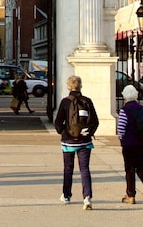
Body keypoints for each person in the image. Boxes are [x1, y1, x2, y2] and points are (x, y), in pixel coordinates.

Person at [54, 75, 100, 210]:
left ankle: (66, 195)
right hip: (84, 141)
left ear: (68, 86)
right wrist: (88, 132)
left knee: (68, 168)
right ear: (81, 86)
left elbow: (58, 122)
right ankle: (87, 197)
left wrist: (63, 132)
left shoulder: (65, 102)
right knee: (84, 169)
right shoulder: (87, 101)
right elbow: (95, 121)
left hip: (68, 140)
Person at [117, 84, 143, 205]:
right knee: (141, 168)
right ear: (136, 96)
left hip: (130, 144)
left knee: (129, 169)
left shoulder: (125, 110)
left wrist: (122, 140)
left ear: (125, 97)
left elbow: (121, 129)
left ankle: (131, 195)